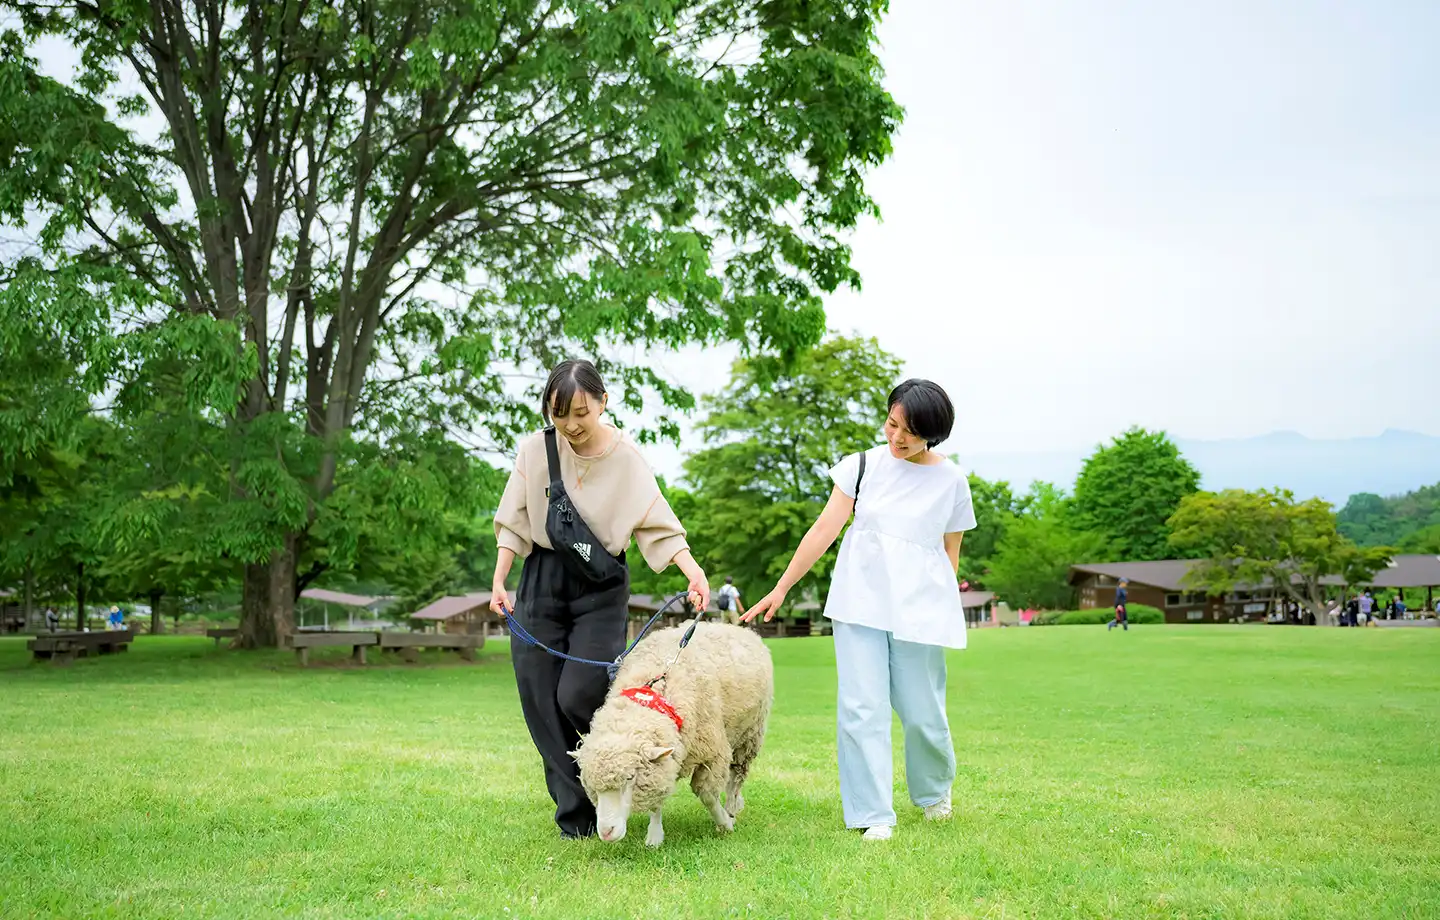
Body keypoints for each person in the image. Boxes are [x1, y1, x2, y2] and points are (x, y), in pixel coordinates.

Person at [742, 378, 976, 842]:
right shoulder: (861, 466)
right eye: (892, 423)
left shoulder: (952, 481)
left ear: (934, 433)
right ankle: (873, 814)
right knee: (861, 707)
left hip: (918, 609)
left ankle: (933, 794)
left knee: (922, 709)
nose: (897, 438)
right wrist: (782, 587)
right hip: (859, 601)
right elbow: (824, 529)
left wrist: (943, 610)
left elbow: (950, 556)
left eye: (910, 432)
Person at [489, 359, 710, 840]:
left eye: (581, 413)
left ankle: (614, 778)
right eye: (559, 413)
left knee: (580, 692)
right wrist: (500, 579)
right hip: (541, 580)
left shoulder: (626, 457)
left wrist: (693, 573)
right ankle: (578, 815)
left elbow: (658, 523)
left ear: (603, 402)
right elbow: (514, 519)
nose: (570, 425)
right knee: (539, 701)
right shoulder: (536, 450)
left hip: (601, 586)